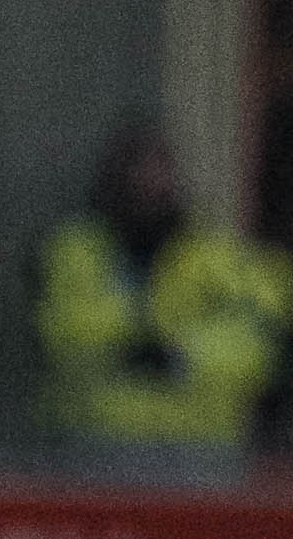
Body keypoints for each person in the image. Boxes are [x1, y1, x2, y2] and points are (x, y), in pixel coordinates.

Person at [29, 119, 291, 447]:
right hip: (94, 444)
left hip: (199, 448)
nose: (148, 184)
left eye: (159, 171)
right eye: (136, 171)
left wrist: (178, 357)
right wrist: (142, 325)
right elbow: (62, 330)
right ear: (112, 177)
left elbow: (256, 343)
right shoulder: (76, 249)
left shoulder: (215, 258)